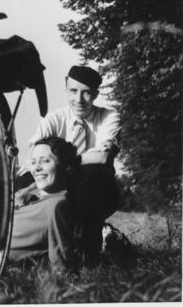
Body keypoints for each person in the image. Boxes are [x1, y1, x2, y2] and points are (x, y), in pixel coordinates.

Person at [17, 65, 121, 261]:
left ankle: (87, 249)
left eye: (86, 93)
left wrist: (63, 163)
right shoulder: (54, 119)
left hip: (96, 189)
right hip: (58, 183)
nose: (78, 100)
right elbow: (33, 157)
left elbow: (103, 157)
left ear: (96, 94)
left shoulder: (109, 117)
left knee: (91, 174)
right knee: (23, 180)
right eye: (73, 91)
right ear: (66, 89)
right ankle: (29, 244)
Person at [9, 137, 78, 272]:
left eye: (45, 161)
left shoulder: (57, 206)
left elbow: (61, 264)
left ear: (65, 166)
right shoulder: (30, 193)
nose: (37, 168)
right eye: (33, 162)